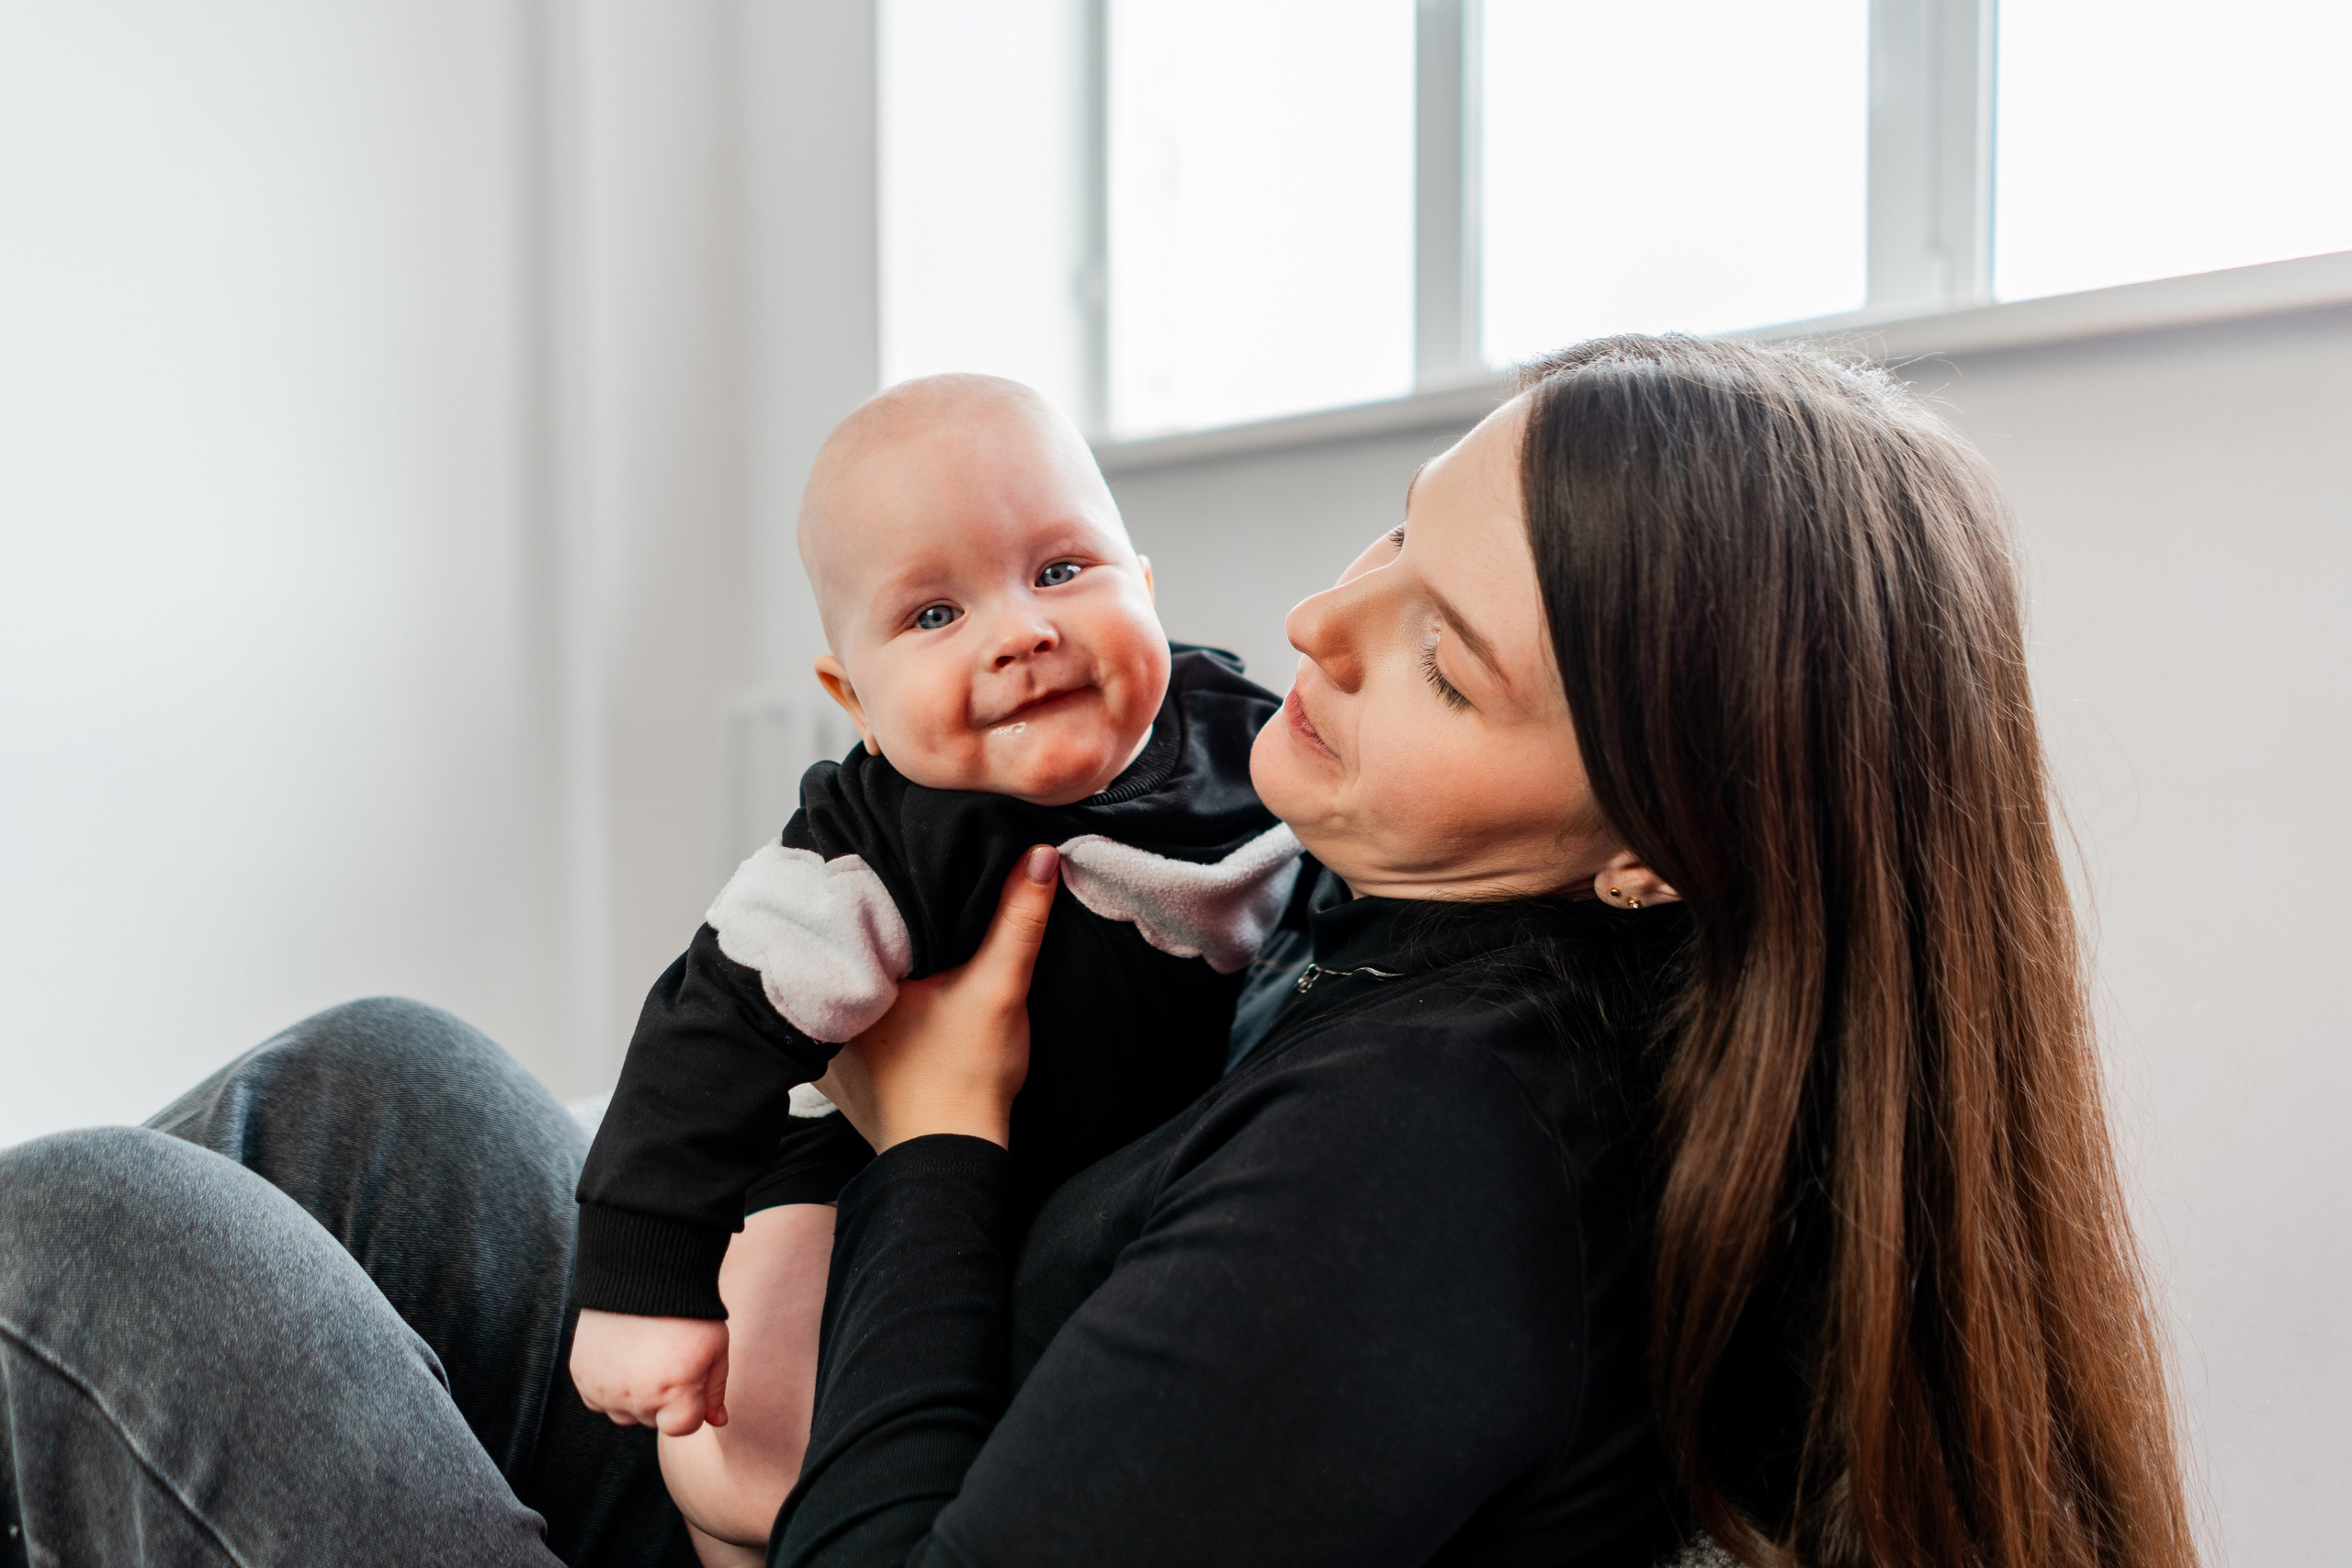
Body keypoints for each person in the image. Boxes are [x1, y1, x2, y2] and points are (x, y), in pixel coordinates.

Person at [0, 335, 2194, 1568]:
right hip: (854, 1436)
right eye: (1393, 533)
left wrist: (931, 1128)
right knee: (380, 1082)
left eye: (1443, 660)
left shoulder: (1434, 1161)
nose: (1317, 623)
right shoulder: (1417, 908)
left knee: (89, 1240)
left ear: (1655, 850)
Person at [565, 372, 1301, 1559]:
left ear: (1146, 587)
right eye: (934, 615)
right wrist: (640, 1282)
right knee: (741, 1449)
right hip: (861, 1168)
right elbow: (706, 1031)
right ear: (853, 698)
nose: (1022, 632)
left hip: (1087, 1193)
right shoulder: (883, 838)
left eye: (1061, 570)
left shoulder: (1249, 742)